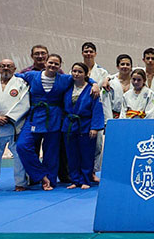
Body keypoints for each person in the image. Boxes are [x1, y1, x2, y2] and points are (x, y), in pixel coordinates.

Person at [16, 54, 98, 190]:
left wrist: (94, 84)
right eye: (51, 62)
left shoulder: (64, 79)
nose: (53, 65)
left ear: (60, 66)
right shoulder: (32, 75)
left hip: (54, 118)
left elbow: (82, 77)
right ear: (46, 63)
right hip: (35, 116)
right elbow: (15, 76)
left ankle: (50, 181)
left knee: (51, 153)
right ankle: (41, 175)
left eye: (56, 64)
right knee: (22, 146)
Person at [0, 59, 30, 193]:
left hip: (14, 126)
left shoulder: (21, 83)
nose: (6, 68)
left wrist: (9, 117)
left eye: (9, 66)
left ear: (14, 69)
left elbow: (24, 102)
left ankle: (20, 183)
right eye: (3, 66)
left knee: (19, 157)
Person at [62, 63, 105, 190]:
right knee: (72, 154)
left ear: (86, 74)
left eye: (80, 72)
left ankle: (86, 179)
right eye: (74, 71)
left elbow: (97, 109)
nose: (76, 74)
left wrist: (94, 127)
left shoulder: (92, 90)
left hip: (85, 124)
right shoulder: (67, 87)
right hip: (70, 124)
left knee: (86, 154)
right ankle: (75, 180)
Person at [81, 42, 110, 182]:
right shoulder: (76, 69)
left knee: (97, 143)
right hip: (81, 111)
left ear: (95, 53)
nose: (88, 53)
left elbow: (110, 79)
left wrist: (107, 79)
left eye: (91, 51)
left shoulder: (102, 72)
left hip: (96, 110)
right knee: (80, 144)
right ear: (82, 53)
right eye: (86, 51)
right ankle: (79, 172)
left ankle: (92, 172)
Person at [107, 54, 133, 119]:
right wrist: (108, 121)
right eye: (122, 64)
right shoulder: (111, 83)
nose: (125, 66)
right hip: (115, 117)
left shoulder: (136, 83)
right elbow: (106, 105)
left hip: (132, 117)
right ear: (117, 66)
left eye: (128, 64)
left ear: (131, 67)